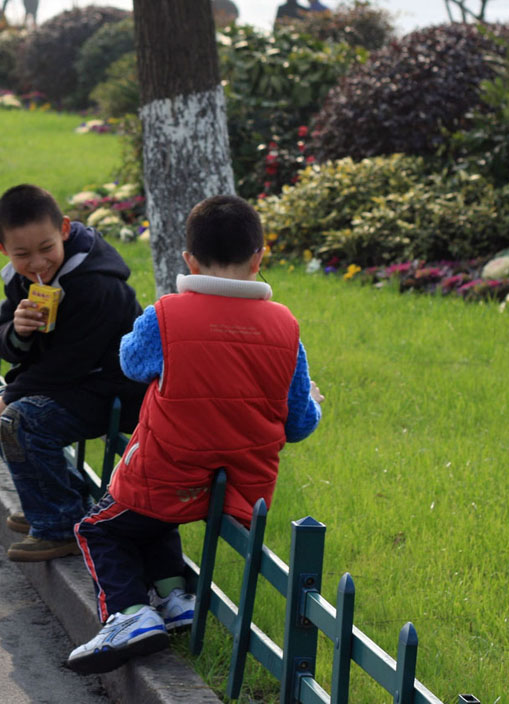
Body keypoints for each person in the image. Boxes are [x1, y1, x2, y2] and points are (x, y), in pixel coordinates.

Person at [67, 195, 324, 675]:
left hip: (168, 469)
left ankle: (128, 614)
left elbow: (131, 362)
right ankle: (175, 598)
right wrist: (311, 399)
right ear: (259, 257)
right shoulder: (287, 327)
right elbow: (298, 423)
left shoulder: (167, 314)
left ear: (189, 260)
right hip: (238, 484)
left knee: (99, 529)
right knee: (152, 520)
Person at [0, 184, 146, 563]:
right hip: (70, 383)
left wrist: (15, 393)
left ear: (65, 230)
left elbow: (74, 359)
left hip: (111, 388)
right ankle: (55, 502)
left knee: (17, 418)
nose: (38, 263)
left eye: (46, 248)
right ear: (1, 247)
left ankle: (58, 526)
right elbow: (1, 339)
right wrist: (18, 331)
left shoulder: (97, 284)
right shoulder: (22, 279)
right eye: (22, 254)